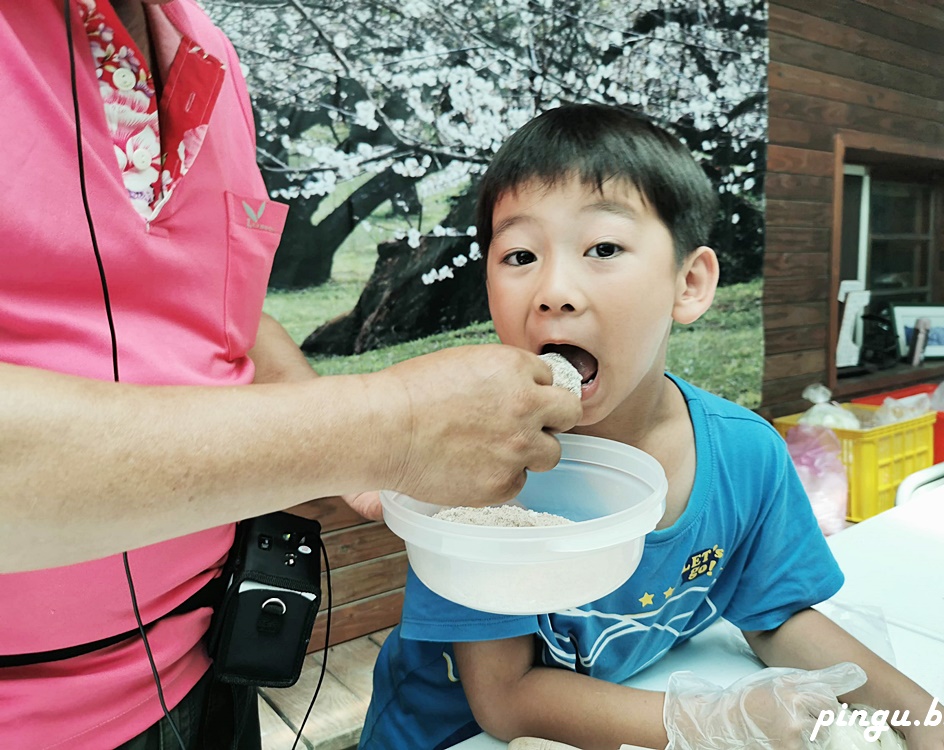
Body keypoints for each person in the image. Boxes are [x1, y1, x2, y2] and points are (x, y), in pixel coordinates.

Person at [0, 2, 580, 748]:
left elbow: (224, 317)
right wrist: (389, 424)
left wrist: (366, 454)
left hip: (210, 665)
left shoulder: (206, 50)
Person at [358, 104, 944, 750]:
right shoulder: (478, 468)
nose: (554, 290)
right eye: (519, 254)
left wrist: (928, 721)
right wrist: (712, 720)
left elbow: (777, 618)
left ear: (689, 283)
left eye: (602, 247)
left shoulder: (744, 456)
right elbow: (506, 700)